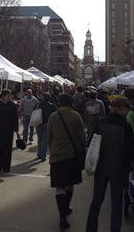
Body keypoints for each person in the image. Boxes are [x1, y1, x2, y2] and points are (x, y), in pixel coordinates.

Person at [86, 96, 134, 232]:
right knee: (116, 203)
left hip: (101, 166)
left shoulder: (100, 123)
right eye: (126, 108)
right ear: (120, 108)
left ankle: (90, 229)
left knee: (96, 200)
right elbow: (130, 151)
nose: (127, 111)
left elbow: (91, 143)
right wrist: (126, 166)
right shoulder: (126, 126)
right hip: (118, 169)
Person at [48, 93, 86, 231]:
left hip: (57, 155)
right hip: (72, 155)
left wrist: (52, 151)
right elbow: (82, 137)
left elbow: (49, 137)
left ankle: (62, 215)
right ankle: (66, 209)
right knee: (70, 184)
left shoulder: (53, 116)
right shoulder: (76, 116)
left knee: (59, 187)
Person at [0, 89, 19, 172]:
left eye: (10, 95)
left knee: (8, 148)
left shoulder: (12, 105)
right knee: (1, 148)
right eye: (8, 95)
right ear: (3, 96)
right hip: (0, 130)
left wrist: (16, 128)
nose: (10, 97)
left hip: (9, 130)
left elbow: (15, 117)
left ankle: (6, 166)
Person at [36, 92, 57, 161]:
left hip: (39, 123)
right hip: (48, 124)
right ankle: (43, 155)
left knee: (40, 139)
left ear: (43, 97)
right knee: (45, 140)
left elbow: (34, 111)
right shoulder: (52, 106)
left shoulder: (39, 104)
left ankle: (39, 153)